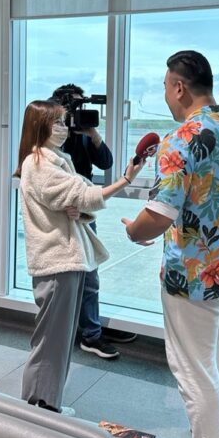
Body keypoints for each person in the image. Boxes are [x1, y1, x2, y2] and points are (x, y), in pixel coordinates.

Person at [123, 50, 219, 438]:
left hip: (194, 278)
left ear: (179, 88)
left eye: (166, 87)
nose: (166, 95)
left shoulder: (181, 138)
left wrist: (134, 231)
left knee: (195, 373)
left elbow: (160, 214)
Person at [15, 100, 144, 414]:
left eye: (64, 122)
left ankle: (45, 402)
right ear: (40, 126)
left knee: (56, 340)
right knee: (51, 341)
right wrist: (126, 179)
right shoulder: (41, 163)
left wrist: (79, 209)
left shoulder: (55, 159)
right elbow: (86, 194)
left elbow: (77, 200)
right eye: (56, 123)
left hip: (64, 260)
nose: (63, 128)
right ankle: (40, 405)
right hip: (58, 261)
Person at [51, 84, 137, 360]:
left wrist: (92, 133)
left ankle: (90, 327)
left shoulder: (85, 134)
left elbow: (106, 161)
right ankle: (89, 334)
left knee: (90, 274)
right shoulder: (53, 138)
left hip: (85, 211)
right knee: (78, 277)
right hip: (66, 213)